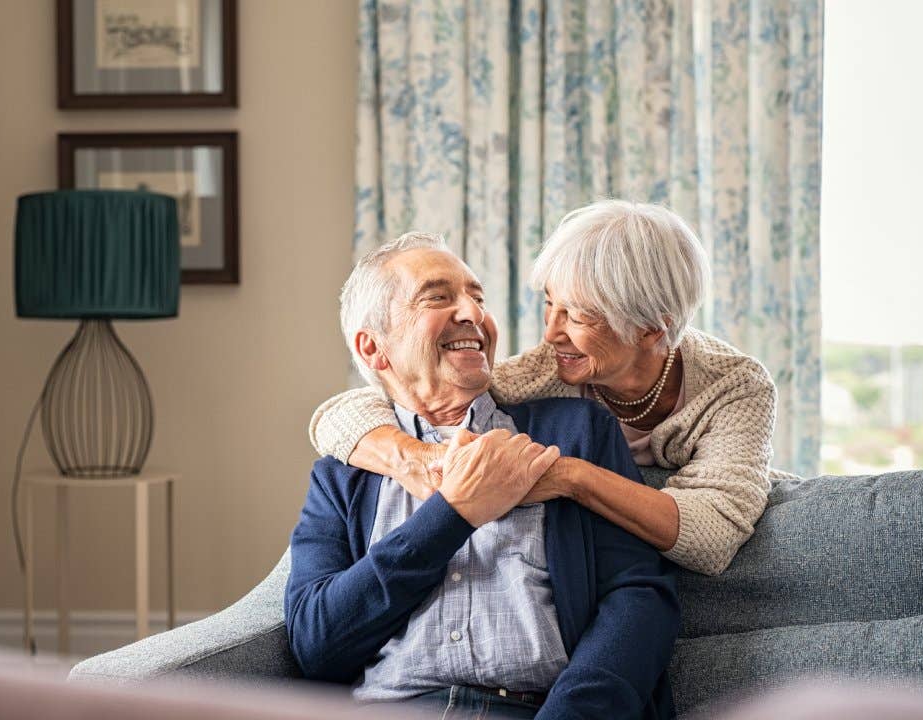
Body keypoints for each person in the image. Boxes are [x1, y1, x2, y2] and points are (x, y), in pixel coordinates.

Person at [285, 233, 679, 719]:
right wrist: (453, 514)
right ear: (374, 348)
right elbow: (316, 646)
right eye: (438, 297)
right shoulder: (342, 477)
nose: (472, 313)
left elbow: (640, 598)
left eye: (477, 297)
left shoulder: (575, 433)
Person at [309, 200, 778, 575]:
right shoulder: (547, 369)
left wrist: (570, 477)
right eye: (550, 305)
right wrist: (418, 459)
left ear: (652, 329)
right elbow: (345, 412)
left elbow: (712, 537)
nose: (551, 333)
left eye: (577, 316)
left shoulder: (735, 387)